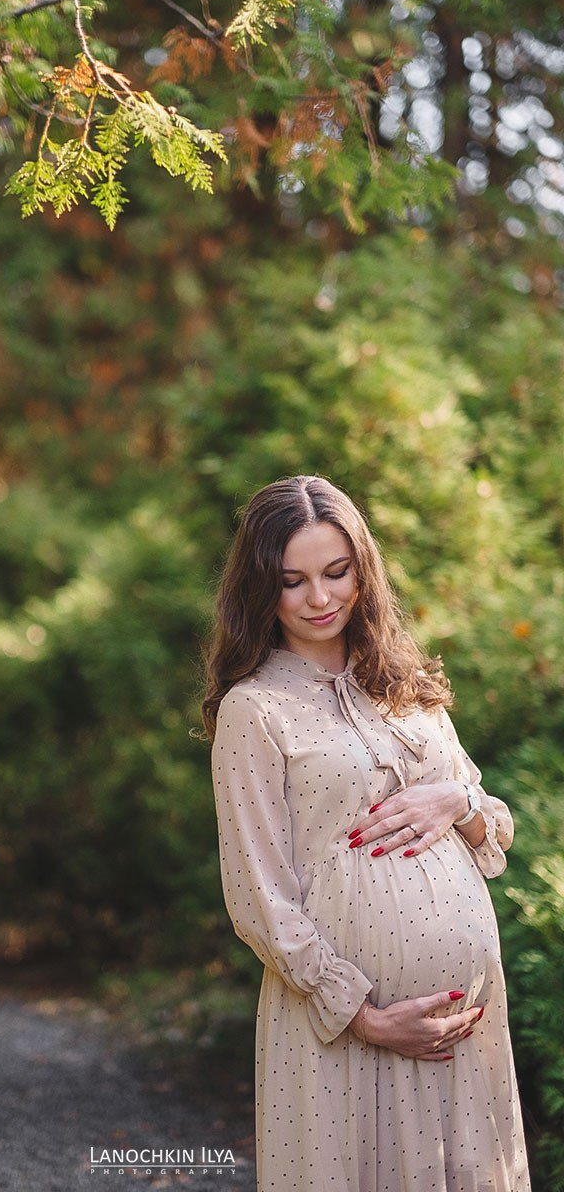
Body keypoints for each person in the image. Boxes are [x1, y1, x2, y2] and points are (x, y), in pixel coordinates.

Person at [203, 475, 530, 1192]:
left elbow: (493, 823)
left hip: (466, 1037)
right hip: (342, 1034)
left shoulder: (404, 682)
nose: (320, 599)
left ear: (363, 571)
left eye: (336, 572)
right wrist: (362, 1015)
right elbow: (258, 897)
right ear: (262, 589)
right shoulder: (254, 711)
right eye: (293, 581)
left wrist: (456, 798)